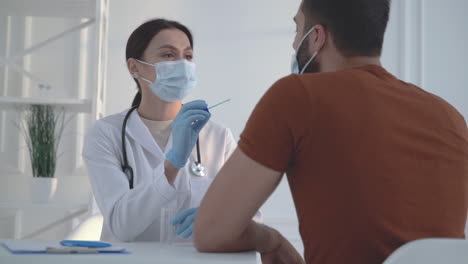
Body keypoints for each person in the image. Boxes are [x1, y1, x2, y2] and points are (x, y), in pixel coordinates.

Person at [193, 0, 468, 263]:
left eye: (297, 29)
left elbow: (212, 232)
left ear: (316, 37)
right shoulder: (449, 116)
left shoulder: (297, 96)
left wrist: (269, 238)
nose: (293, 42)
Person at [83, 19, 259, 242]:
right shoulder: (106, 134)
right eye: (168, 55)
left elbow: (250, 211)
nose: (182, 65)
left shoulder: (217, 137)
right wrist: (172, 164)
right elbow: (121, 225)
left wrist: (221, 218)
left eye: (187, 56)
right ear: (134, 67)